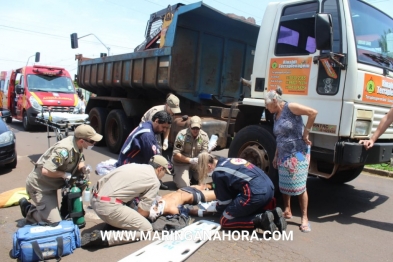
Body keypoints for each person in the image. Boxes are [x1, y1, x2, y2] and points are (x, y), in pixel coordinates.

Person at [81, 155, 171, 248]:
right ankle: (105, 238)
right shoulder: (154, 181)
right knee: (146, 229)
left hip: (94, 198)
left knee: (128, 203)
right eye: (165, 171)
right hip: (106, 207)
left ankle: (113, 225)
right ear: (160, 169)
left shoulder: (134, 166)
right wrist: (151, 213)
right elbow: (142, 212)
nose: (164, 175)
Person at [18, 124, 102, 224]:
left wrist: (83, 168)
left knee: (83, 178)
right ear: (82, 141)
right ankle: (28, 209)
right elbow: (46, 171)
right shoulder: (63, 150)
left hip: (55, 182)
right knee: (53, 222)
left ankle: (66, 208)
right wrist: (64, 175)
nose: (94, 143)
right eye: (92, 141)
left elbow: (79, 159)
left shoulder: (77, 143)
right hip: (41, 186)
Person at [265, 87, 317, 233]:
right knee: (284, 184)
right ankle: (287, 210)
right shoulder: (276, 115)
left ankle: (305, 218)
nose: (266, 107)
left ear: (275, 101)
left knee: (300, 186)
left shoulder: (290, 107)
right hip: (283, 156)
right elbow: (279, 138)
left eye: (267, 104)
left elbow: (313, 113)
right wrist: (276, 155)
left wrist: (306, 133)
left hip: (299, 154)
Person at [196, 152, 286, 232]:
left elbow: (224, 202)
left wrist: (213, 209)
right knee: (242, 209)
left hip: (255, 193)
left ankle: (260, 220)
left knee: (225, 219)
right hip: (270, 188)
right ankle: (273, 216)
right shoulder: (229, 161)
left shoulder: (218, 173)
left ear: (209, 166)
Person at [141, 93, 181, 189]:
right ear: (167, 105)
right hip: (147, 133)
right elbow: (152, 129)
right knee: (151, 155)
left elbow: (167, 128)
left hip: (156, 132)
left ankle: (156, 180)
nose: (173, 112)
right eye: (172, 109)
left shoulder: (170, 113)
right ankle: (148, 180)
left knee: (159, 154)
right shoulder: (156, 112)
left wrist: (166, 140)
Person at [172, 116, 209, 188]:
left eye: (197, 128)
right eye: (193, 128)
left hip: (196, 163)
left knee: (203, 184)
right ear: (189, 126)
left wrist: (208, 151)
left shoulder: (204, 136)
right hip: (182, 162)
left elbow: (205, 152)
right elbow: (176, 154)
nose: (195, 130)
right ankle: (178, 174)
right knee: (184, 187)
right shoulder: (182, 135)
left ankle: (192, 176)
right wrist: (190, 160)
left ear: (200, 127)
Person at [149, 185, 216, 219]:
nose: (155, 206)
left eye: (153, 207)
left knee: (205, 186)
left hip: (184, 190)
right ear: (158, 213)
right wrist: (207, 212)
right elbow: (189, 211)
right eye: (155, 208)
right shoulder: (170, 209)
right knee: (219, 194)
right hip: (192, 196)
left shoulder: (159, 200)